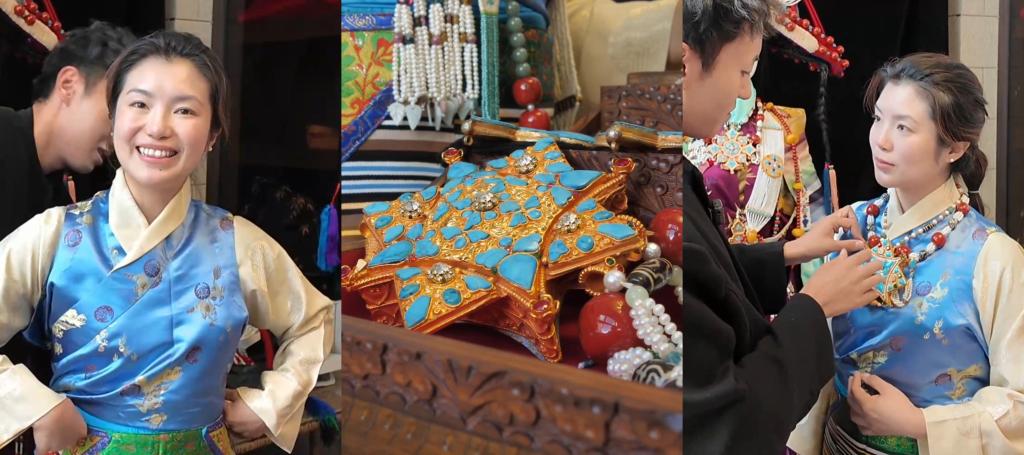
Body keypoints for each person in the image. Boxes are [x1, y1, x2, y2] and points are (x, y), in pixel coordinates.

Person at [0, 31, 335, 454]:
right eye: (140, 104)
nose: (158, 127)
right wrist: (32, 405)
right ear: (114, 118)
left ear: (212, 134)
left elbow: (312, 321)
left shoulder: (238, 243)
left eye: (184, 110)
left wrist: (272, 403)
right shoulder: (52, 235)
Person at [787, 53, 1024, 455]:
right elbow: (818, 356)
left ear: (954, 148)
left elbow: (1017, 402)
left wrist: (919, 424)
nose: (881, 139)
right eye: (878, 118)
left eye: (903, 127)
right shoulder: (852, 224)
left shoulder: (994, 256)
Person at [681, 1, 885, 453]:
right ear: (685, 61)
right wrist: (813, 307)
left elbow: (704, 267)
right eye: (741, 70)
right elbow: (726, 426)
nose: (744, 88)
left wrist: (790, 253)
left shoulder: (783, 126)